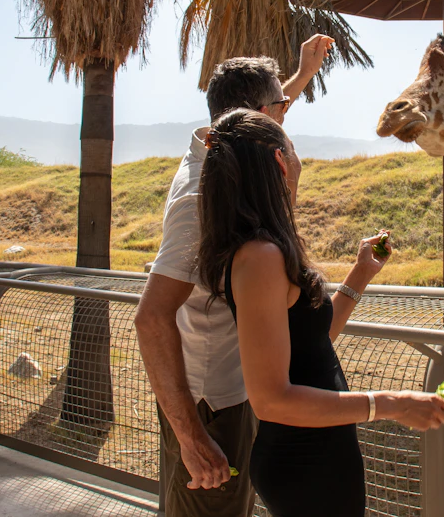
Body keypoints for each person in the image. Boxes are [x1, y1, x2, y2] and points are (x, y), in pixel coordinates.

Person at [198, 108, 444, 517]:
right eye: (293, 149)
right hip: (305, 467)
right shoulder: (260, 257)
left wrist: (361, 274)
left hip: (315, 459)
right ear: (281, 161)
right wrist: (392, 403)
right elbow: (270, 401)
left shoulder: (263, 250)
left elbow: (311, 344)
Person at [135, 35, 334, 517]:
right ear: (258, 117)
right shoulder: (200, 198)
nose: (285, 116)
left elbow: (259, 118)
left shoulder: (224, 149)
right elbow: (151, 318)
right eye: (281, 107)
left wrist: (302, 75)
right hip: (210, 404)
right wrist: (191, 438)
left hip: (232, 389)